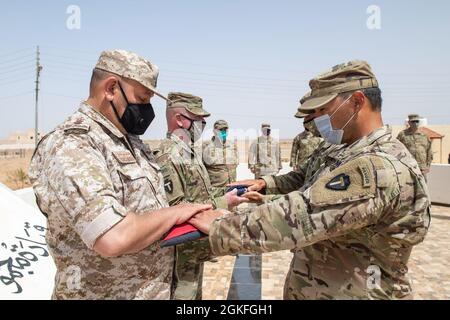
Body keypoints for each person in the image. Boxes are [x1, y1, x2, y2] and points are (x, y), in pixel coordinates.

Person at [189, 60, 431, 300]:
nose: (318, 120)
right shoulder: (346, 148)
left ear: (357, 101)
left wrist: (221, 226)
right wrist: (266, 185)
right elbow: (305, 181)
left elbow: (300, 215)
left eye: (324, 110)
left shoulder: (377, 167)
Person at [28, 50, 212, 299]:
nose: (147, 109)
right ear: (112, 88)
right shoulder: (72, 144)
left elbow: (150, 214)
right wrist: (178, 211)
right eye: (142, 98)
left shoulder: (132, 142)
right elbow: (112, 236)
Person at [153, 92, 246, 300]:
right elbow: (177, 209)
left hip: (195, 249)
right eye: (198, 118)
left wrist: (224, 194)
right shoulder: (169, 156)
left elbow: (199, 193)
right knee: (184, 295)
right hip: (182, 252)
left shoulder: (188, 152)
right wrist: (224, 202)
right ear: (179, 120)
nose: (203, 123)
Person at [202, 120, 239, 196]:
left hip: (232, 190)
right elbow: (201, 170)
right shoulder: (206, 146)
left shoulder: (232, 146)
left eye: (225, 130)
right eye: (220, 130)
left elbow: (235, 164)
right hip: (215, 193)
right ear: (214, 131)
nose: (223, 132)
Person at [290, 95, 323, 172]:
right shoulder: (299, 137)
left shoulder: (321, 137)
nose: (306, 121)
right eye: (305, 118)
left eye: (308, 117)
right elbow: (294, 152)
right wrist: (293, 164)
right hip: (301, 165)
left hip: (315, 165)